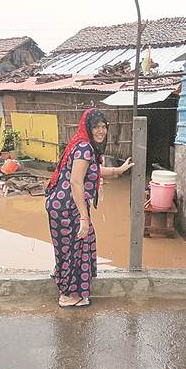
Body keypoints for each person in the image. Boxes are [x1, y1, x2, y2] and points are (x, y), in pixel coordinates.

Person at [45, 108, 133, 308]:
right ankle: (67, 295)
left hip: (61, 204)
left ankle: (61, 274)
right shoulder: (85, 148)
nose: (101, 131)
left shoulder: (81, 144)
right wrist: (84, 218)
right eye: (96, 127)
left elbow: (90, 170)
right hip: (68, 206)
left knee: (69, 246)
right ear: (88, 128)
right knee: (77, 247)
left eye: (104, 127)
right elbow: (76, 182)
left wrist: (117, 170)